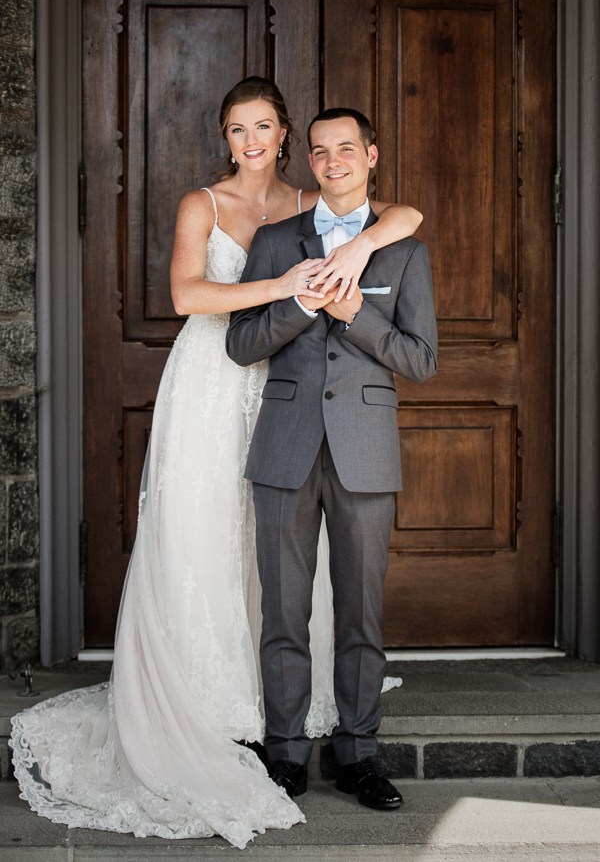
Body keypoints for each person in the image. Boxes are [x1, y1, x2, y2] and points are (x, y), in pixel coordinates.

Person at [10, 79, 422, 849]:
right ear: (225, 138)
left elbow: (403, 216)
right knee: (209, 533)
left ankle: (294, 716)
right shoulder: (205, 203)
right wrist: (284, 287)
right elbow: (186, 292)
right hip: (215, 380)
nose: (252, 139)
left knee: (281, 555)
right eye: (238, 129)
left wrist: (361, 244)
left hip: (295, 391)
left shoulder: (312, 201)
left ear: (287, 132)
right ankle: (216, 704)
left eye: (264, 125)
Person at [226, 107, 438, 809]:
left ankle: (359, 754)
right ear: (309, 161)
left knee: (360, 613)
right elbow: (241, 343)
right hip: (285, 447)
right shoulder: (276, 239)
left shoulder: (403, 249)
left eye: (347, 148)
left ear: (371, 155)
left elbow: (420, 359)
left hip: (365, 452)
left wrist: (356, 316)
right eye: (319, 151)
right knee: (283, 613)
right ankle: (285, 756)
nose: (333, 160)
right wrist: (303, 302)